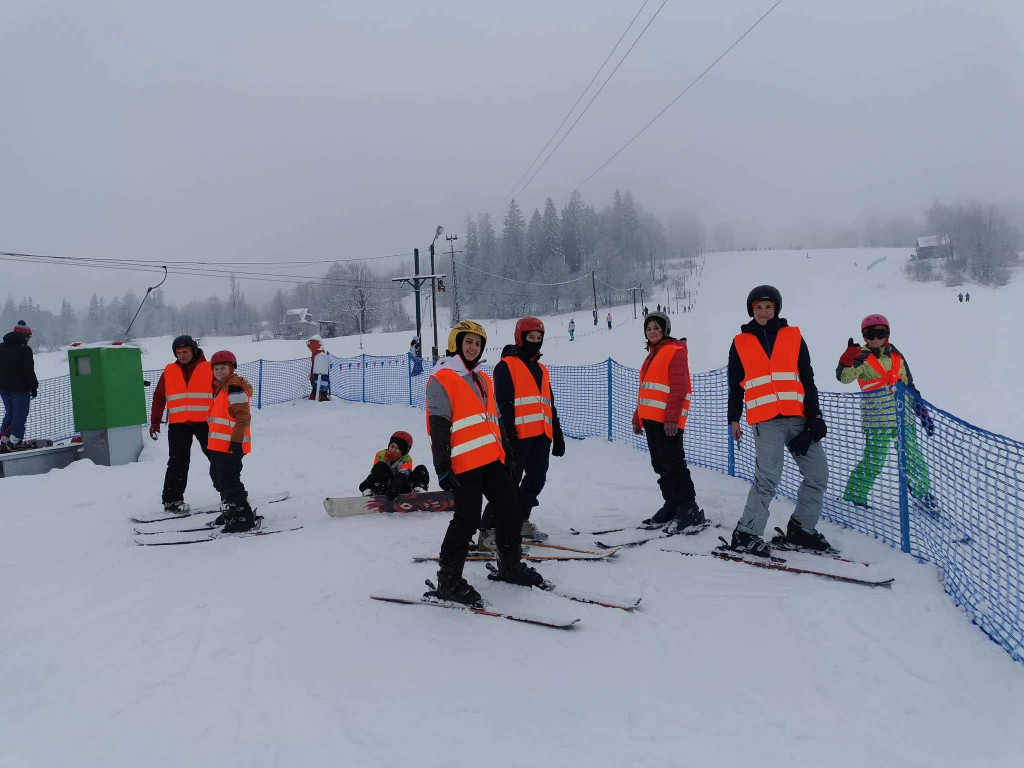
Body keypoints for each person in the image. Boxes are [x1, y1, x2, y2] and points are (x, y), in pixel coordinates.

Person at [424, 319, 545, 606]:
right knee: (466, 520)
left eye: (478, 343)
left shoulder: (482, 378)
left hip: (491, 459)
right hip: (463, 463)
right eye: (468, 341)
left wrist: (508, 451)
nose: (473, 347)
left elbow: (495, 419)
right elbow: (438, 422)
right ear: (456, 343)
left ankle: (510, 566)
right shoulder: (442, 377)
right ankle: (449, 580)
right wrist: (442, 465)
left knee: (511, 510)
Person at [727, 285, 830, 556]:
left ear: (776, 309)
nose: (763, 311)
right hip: (766, 422)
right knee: (767, 478)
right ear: (751, 309)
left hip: (798, 419)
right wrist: (733, 418)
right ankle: (745, 533)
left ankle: (801, 529)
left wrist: (814, 416)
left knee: (818, 474)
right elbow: (735, 385)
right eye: (758, 307)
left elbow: (807, 377)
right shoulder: (740, 342)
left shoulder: (793, 336)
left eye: (768, 307)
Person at [476, 317, 566, 550]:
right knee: (506, 485)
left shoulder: (542, 369)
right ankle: (488, 532)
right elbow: (503, 404)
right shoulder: (506, 366)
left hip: (541, 437)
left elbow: (549, 404)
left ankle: (520, 520)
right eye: (531, 338)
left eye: (539, 338)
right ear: (520, 338)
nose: (535, 342)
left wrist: (557, 434)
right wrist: (510, 437)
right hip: (517, 437)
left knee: (536, 480)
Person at [837, 315, 933, 509]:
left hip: (903, 418)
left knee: (913, 458)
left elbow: (908, 384)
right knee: (874, 461)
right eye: (869, 334)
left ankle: (922, 493)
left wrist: (921, 411)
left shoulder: (896, 355)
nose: (874, 338)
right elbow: (844, 378)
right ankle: (854, 497)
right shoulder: (861, 356)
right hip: (877, 421)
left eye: (880, 333)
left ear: (887, 334)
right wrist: (846, 360)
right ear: (864, 337)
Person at [632, 311, 705, 533]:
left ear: (665, 330)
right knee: (660, 464)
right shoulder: (653, 354)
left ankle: (688, 508)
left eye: (656, 327)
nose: (652, 331)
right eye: (649, 328)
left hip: (667, 421)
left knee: (673, 464)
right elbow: (646, 390)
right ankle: (672, 504)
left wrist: (672, 418)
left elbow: (680, 387)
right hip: (652, 420)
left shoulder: (674, 352)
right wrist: (638, 418)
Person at [149, 335, 216, 514]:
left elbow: (222, 394)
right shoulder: (169, 370)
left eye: (185, 352)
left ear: (193, 350)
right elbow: (159, 396)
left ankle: (231, 495)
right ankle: (172, 500)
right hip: (179, 424)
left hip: (205, 422)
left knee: (218, 458)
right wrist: (155, 420)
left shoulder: (210, 368)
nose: (182, 355)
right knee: (177, 462)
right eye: (178, 352)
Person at [207, 350, 256, 533]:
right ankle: (232, 508)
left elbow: (243, 416)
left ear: (232, 368)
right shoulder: (223, 386)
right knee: (217, 477)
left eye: (223, 367)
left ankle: (243, 516)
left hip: (231, 444)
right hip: (220, 445)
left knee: (229, 480)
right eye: (216, 368)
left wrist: (236, 442)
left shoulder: (234, 387)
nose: (219, 371)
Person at [0, 321, 38, 453]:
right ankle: (15, 441)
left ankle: (4, 440)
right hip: (20, 388)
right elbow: (28, 370)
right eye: (29, 336)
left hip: (4, 388)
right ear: (23, 336)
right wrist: (33, 386)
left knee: (10, 412)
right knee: (20, 413)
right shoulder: (25, 349)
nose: (29, 339)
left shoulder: (1, 347)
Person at [358, 430, 430, 498]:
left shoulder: (406, 459)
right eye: (392, 446)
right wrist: (366, 485)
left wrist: (395, 487)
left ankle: (418, 490)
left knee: (421, 469)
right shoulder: (381, 455)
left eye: (398, 449)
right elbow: (375, 473)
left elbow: (403, 474)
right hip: (385, 487)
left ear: (404, 451)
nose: (393, 450)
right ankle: (370, 492)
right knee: (380, 466)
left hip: (401, 487)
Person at [307, 336, 331, 401]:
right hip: (319, 377)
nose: (309, 348)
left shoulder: (319, 355)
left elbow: (317, 368)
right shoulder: (318, 354)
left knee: (318, 387)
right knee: (318, 387)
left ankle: (319, 397)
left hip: (317, 377)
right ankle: (320, 396)